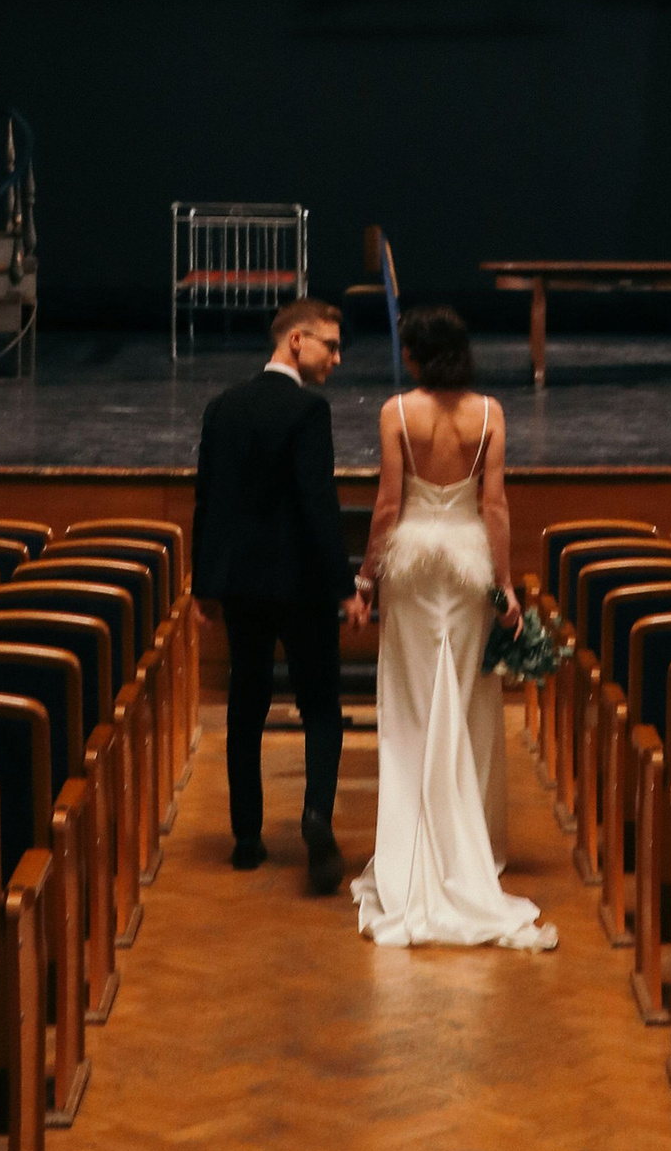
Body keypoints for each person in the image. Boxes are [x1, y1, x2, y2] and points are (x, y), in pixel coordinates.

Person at [348, 304, 557, 953]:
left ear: (416, 356)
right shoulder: (490, 413)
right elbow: (493, 505)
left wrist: (365, 581)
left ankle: (411, 852)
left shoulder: (396, 414)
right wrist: (505, 589)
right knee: (466, 706)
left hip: (412, 572)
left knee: (410, 710)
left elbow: (388, 504)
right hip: (467, 569)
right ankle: (470, 849)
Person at [192, 294, 353, 891]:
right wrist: (344, 587)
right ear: (296, 341)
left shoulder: (222, 408)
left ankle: (245, 839)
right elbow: (318, 506)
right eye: (329, 345)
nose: (336, 358)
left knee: (246, 705)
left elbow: (207, 501)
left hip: (240, 584)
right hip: (302, 585)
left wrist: (203, 584)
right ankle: (315, 814)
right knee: (321, 707)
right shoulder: (309, 411)